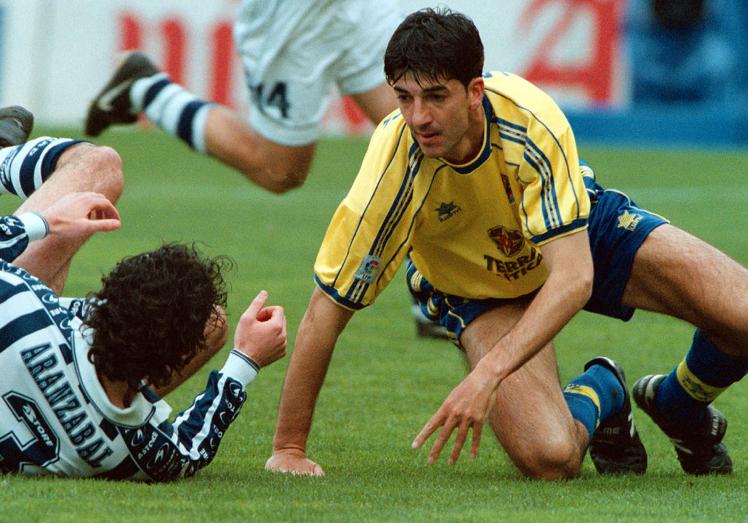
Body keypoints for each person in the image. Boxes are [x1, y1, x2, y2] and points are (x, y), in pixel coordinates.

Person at [264, 8, 748, 479]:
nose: (418, 117)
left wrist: (487, 374)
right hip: (477, 291)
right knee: (551, 459)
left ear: (475, 91)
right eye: (404, 98)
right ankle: (605, 390)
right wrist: (288, 448)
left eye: (435, 96)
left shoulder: (529, 118)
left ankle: (678, 403)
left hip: (575, 239)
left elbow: (576, 277)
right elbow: (327, 309)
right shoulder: (391, 166)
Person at [0, 127, 288, 481]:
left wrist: (44, 223)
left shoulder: (19, 302)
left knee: (100, 165)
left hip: (17, 340)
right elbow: (189, 449)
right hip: (62, 418)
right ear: (163, 371)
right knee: (211, 323)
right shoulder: (134, 454)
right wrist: (246, 359)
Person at [84, 0, 401, 195]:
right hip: (291, 14)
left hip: (356, 6)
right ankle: (145, 89)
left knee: (418, 130)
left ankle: (433, 293)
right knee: (280, 171)